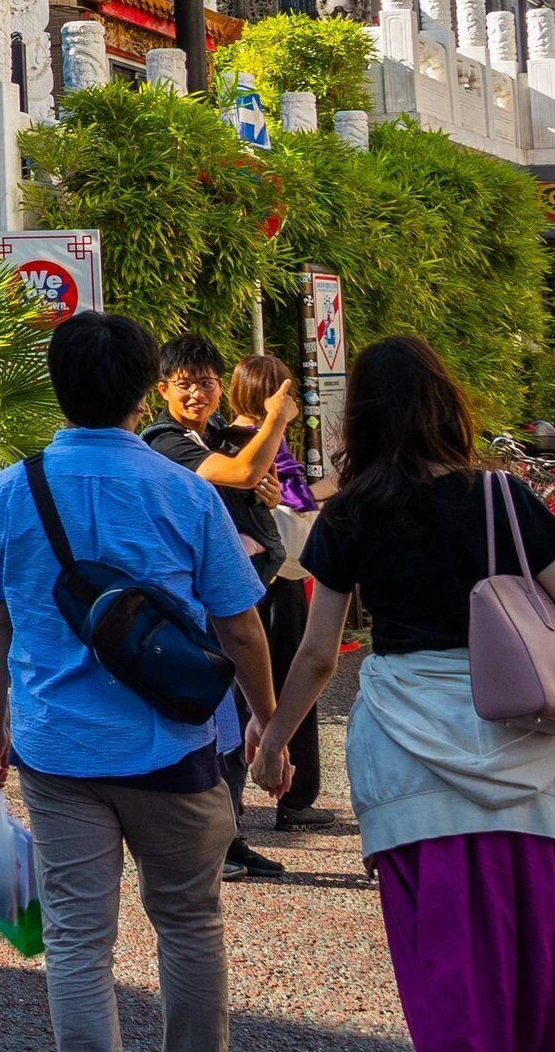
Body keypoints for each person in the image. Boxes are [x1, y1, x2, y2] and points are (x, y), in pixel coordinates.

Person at [257, 334, 555, 1052]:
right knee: (551, 965)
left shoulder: (349, 515)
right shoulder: (502, 497)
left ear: (362, 416)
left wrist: (274, 740)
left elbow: (315, 657)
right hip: (521, 747)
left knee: (446, 976)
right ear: (444, 404)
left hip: (408, 757)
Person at [0, 308, 273, 1052]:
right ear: (144, 391)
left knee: (74, 938)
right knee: (190, 922)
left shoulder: (12, 490)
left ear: (57, 386)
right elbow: (239, 624)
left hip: (57, 747)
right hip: (171, 742)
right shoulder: (184, 491)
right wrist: (266, 716)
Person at [142, 333, 300, 879]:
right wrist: (276, 420)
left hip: (228, 595)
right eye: (185, 384)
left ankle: (230, 841)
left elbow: (251, 481)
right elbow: (237, 473)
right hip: (198, 611)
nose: (197, 394)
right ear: (162, 389)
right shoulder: (165, 442)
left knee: (230, 726)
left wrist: (269, 493)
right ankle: (205, 848)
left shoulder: (212, 432)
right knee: (213, 724)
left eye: (207, 383)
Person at [218, 351, 324, 836]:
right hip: (276, 581)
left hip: (238, 582)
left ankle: (234, 807)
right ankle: (293, 796)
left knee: (240, 690)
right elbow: (297, 516)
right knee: (292, 685)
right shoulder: (267, 444)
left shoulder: (215, 442)